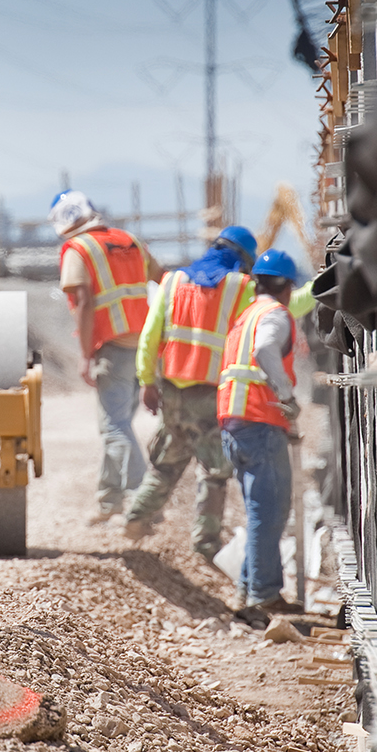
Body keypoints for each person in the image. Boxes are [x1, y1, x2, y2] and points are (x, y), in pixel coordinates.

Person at [122, 226, 259, 560]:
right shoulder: (242, 286)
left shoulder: (171, 281)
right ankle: (206, 542)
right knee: (214, 471)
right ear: (243, 260)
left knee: (169, 460)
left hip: (171, 391)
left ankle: (135, 520)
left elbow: (150, 336)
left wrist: (146, 381)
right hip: (212, 394)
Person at [50, 190, 163, 523]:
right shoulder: (130, 241)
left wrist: (85, 356)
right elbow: (165, 280)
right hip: (144, 347)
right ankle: (109, 499)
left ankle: (147, 502)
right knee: (120, 425)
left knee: (113, 427)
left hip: (112, 348)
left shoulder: (78, 249)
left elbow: (84, 302)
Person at [218, 248, 303, 619]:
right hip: (259, 419)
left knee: (260, 509)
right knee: (269, 509)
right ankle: (263, 596)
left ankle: (251, 589)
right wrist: (286, 395)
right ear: (285, 286)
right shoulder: (275, 316)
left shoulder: (246, 315)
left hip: (234, 421)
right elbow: (266, 348)